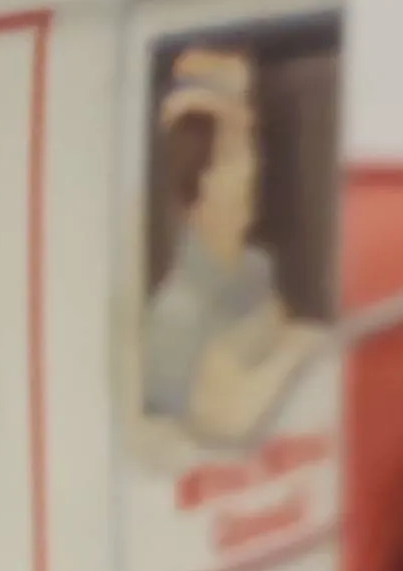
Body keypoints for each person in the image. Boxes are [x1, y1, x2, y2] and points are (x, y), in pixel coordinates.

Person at [139, 46, 330, 450]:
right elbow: (207, 432)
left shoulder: (254, 267)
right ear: (199, 186)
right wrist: (293, 355)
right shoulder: (176, 315)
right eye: (233, 158)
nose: (250, 170)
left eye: (248, 151)